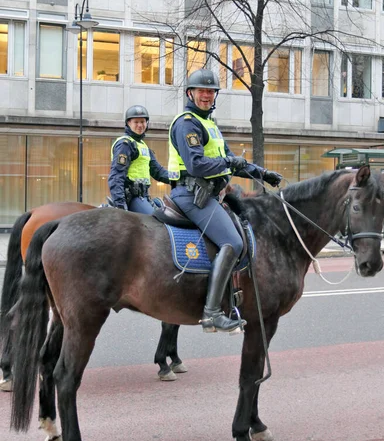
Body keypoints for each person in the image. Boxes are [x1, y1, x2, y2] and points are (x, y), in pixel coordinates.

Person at [168, 68, 282, 333]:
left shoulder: (210, 125)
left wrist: (263, 174)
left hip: (209, 194)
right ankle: (211, 314)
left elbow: (232, 161)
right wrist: (231, 162)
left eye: (211, 91)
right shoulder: (187, 123)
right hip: (192, 195)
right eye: (202, 91)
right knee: (233, 241)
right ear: (190, 93)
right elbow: (196, 164)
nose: (207, 95)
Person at [108, 105, 170, 213]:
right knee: (153, 224)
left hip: (143, 197)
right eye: (136, 122)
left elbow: (158, 172)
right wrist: (121, 206)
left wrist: (180, 177)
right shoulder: (125, 144)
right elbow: (117, 175)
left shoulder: (143, 146)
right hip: (131, 199)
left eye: (142, 122)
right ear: (128, 123)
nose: (140, 125)